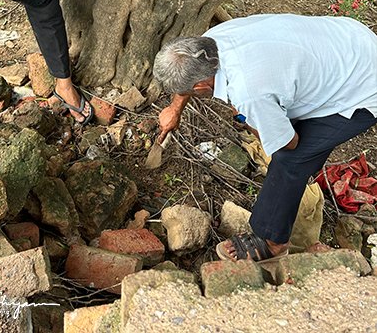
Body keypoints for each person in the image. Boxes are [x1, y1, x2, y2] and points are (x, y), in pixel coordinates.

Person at [153, 14, 377, 262]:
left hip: (363, 86)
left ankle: (273, 242)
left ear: (200, 88)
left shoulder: (248, 93)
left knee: (291, 160)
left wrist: (244, 120)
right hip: (349, 40)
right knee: (279, 120)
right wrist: (175, 109)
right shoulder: (208, 44)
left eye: (185, 93)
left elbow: (288, 143)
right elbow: (190, 74)